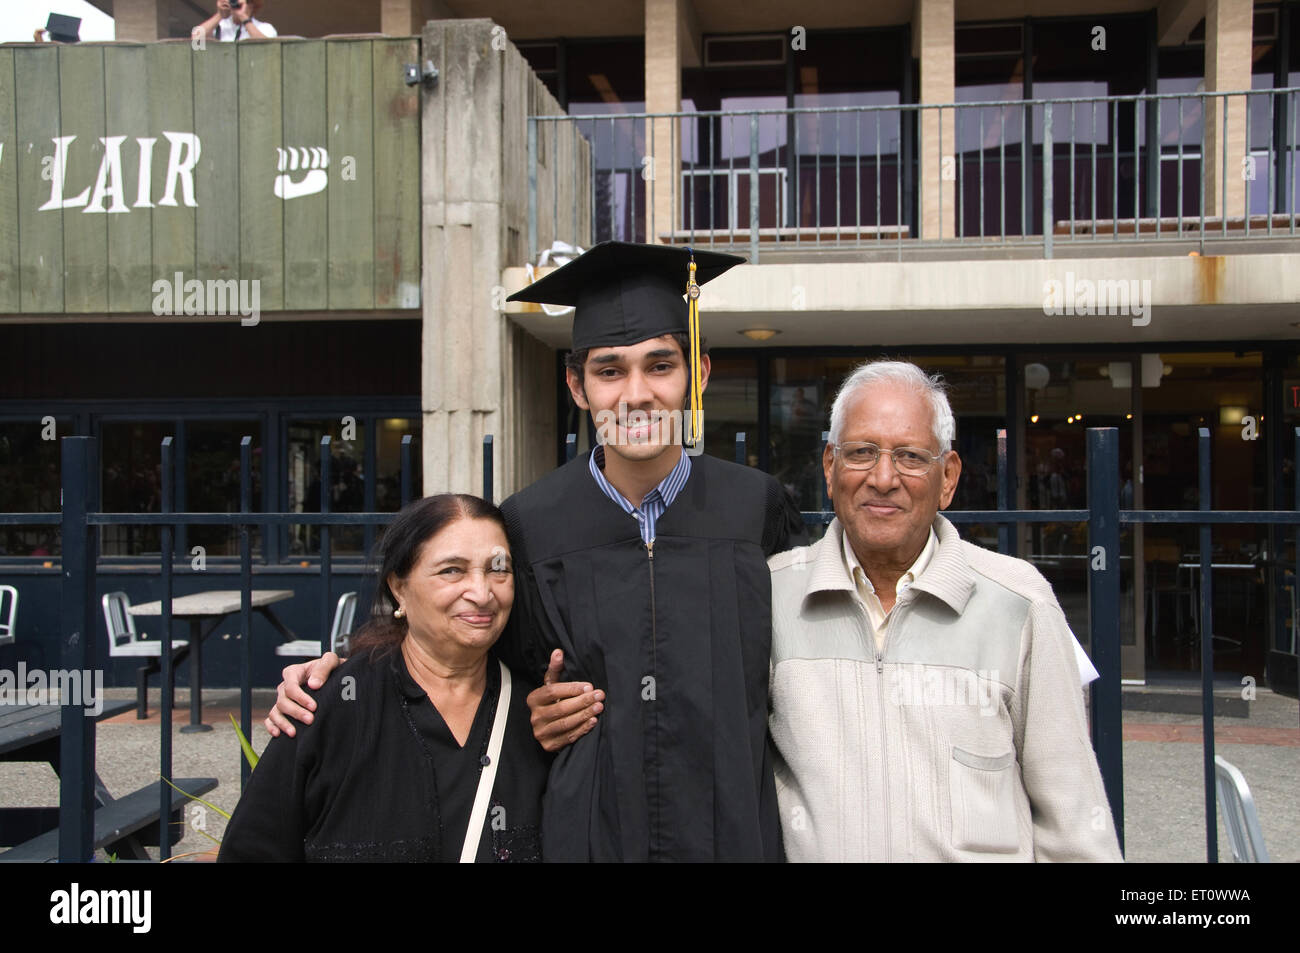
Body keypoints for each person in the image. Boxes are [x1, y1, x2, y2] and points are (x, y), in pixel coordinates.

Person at [269, 241, 799, 862]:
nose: (636, 394)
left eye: (660, 366)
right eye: (608, 371)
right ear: (576, 384)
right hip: (587, 837)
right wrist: (337, 670)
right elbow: (466, 647)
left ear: (698, 373)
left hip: (734, 835)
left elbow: (805, 661)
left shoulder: (755, 509)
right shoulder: (529, 524)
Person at [763, 360, 1120, 861]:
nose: (883, 478)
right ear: (829, 467)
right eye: (862, 452)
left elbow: (1075, 823)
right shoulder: (771, 595)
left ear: (947, 478)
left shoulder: (1019, 602)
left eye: (909, 456)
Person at [218, 494, 547, 862]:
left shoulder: (537, 711)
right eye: (451, 570)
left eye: (497, 568)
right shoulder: (331, 705)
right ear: (399, 588)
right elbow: (252, 850)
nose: (482, 592)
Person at [193, 0, 277, 42]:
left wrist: (243, 17)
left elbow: (267, 47)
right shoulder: (219, 26)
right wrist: (220, 15)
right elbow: (195, 40)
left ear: (252, 5)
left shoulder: (265, 28)